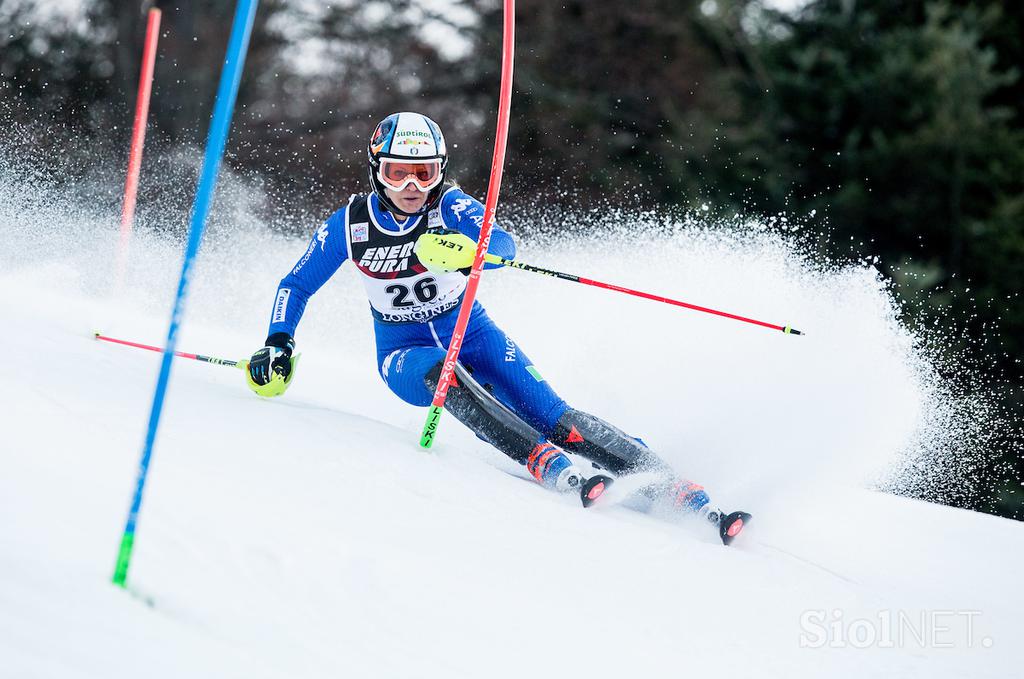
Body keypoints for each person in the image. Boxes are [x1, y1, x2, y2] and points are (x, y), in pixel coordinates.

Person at [247, 111, 749, 544]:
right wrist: (278, 342)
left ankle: (675, 488)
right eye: (398, 174)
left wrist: (471, 255)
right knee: (445, 376)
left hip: (475, 332)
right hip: (403, 349)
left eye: (423, 174)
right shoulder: (349, 225)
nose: (411, 189)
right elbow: (296, 283)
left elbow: (504, 245)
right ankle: (545, 463)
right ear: (377, 172)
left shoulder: (449, 205)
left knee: (559, 419)